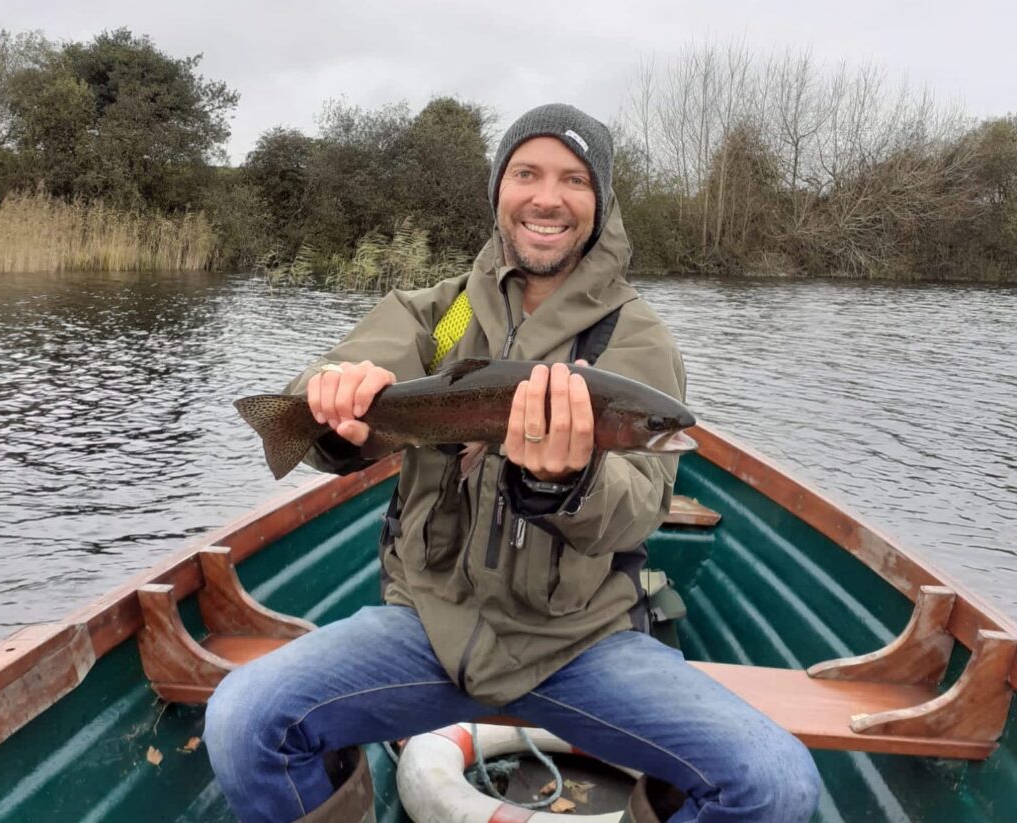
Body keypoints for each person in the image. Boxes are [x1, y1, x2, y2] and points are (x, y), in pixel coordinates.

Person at [205, 104, 821, 822]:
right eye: (526, 172)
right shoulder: (449, 317)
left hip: (583, 645)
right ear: (499, 189)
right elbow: (366, 370)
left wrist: (566, 480)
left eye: (574, 179)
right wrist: (330, 410)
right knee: (242, 719)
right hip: (427, 628)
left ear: (601, 202)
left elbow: (639, 503)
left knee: (775, 782)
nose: (547, 196)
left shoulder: (632, 337)